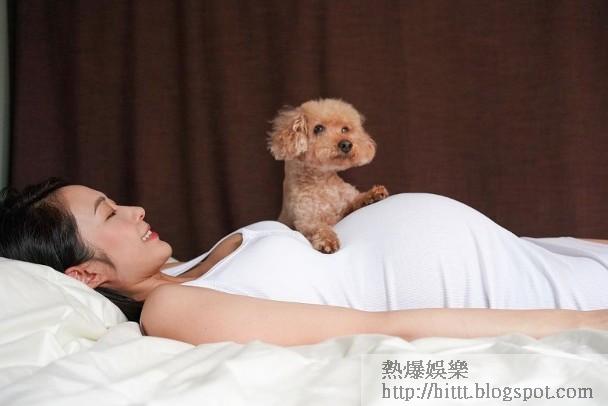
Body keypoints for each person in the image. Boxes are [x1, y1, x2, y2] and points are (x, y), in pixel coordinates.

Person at [1, 177, 607, 347]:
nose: (135, 209)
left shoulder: (186, 269)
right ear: (86, 275)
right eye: (110, 214)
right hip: (526, 294)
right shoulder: (172, 308)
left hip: (528, 253)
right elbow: (378, 327)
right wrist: (584, 323)